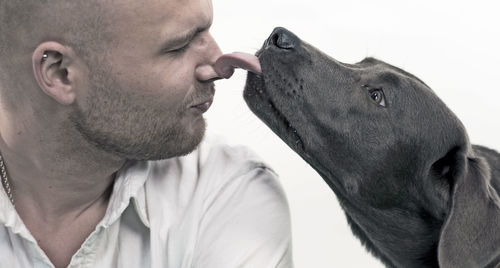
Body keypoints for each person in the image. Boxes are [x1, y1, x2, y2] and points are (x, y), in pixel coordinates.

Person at [0, 0, 293, 267]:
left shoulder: (227, 193)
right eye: (178, 47)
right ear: (60, 72)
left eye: (206, 30)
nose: (219, 65)